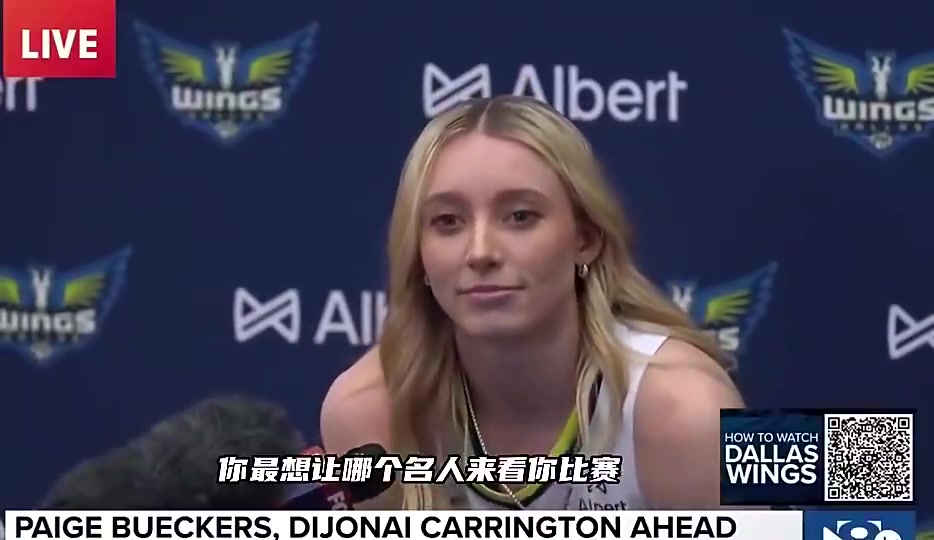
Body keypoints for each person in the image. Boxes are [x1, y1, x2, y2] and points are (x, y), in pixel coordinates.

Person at [320, 95, 744, 510]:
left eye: (520, 216)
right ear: (418, 253)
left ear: (586, 239)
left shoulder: (698, 407)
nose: (480, 252)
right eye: (448, 221)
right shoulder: (362, 410)